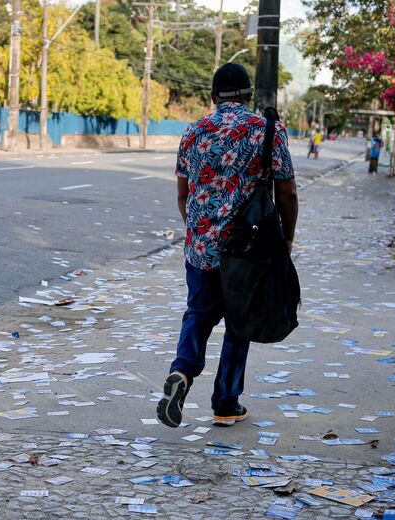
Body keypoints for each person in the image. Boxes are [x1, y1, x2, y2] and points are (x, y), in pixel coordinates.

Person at [156, 63, 298, 428]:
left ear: (213, 96)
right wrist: (287, 236)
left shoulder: (194, 131)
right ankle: (225, 402)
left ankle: (182, 373)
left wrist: (196, 232)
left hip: (201, 245)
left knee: (198, 314)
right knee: (239, 322)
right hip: (247, 249)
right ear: (249, 95)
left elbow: (183, 193)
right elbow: (287, 192)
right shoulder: (266, 130)